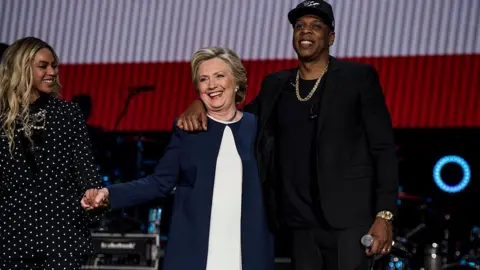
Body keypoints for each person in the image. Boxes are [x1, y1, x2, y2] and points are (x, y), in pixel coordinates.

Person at [176, 1, 399, 269]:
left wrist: (384, 214)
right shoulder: (276, 84)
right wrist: (201, 102)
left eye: (316, 26)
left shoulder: (357, 77)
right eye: (300, 26)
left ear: (331, 37)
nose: (306, 32)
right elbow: (236, 118)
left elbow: (383, 148)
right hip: (297, 224)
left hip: (348, 223)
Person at [81, 47, 274, 270]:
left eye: (219, 76)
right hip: (195, 254)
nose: (212, 85)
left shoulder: (258, 128)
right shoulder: (187, 129)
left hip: (249, 253)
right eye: (204, 79)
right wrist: (109, 194)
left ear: (237, 81)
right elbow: (159, 182)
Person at [0, 37, 103, 269]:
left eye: (54, 66)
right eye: (43, 66)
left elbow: (85, 167)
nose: (52, 72)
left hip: (61, 236)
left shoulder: (67, 113)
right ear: (22, 68)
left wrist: (95, 198)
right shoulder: (2, 116)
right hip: (10, 235)